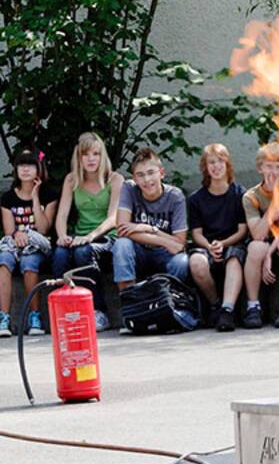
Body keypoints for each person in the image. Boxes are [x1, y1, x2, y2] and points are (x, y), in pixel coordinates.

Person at [52, 133, 124, 332]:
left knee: (84, 252)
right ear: (79, 157)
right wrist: (62, 235)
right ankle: (66, 312)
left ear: (103, 157)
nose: (91, 159)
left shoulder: (115, 179)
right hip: (80, 237)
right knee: (59, 255)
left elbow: (113, 218)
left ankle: (99, 312)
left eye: (96, 154)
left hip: (107, 238)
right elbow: (62, 215)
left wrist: (91, 236)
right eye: (86, 154)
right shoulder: (71, 180)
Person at [241, 143, 279, 329]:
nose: (274, 171)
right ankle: (253, 306)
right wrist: (275, 202)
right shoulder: (250, 196)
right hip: (265, 239)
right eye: (269, 166)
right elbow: (258, 234)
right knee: (254, 247)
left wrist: (270, 253)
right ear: (260, 168)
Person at [112, 147, 189, 295]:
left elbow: (180, 243)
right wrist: (164, 241)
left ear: (161, 173)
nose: (147, 180)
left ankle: (170, 302)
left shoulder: (175, 196)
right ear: (134, 178)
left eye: (151, 173)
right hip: (138, 251)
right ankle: (129, 301)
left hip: (164, 254)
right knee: (121, 245)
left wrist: (149, 228)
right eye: (140, 175)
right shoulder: (129, 188)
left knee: (181, 262)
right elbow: (122, 230)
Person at [187, 143, 247, 332]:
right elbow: (196, 233)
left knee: (234, 259)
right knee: (196, 262)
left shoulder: (239, 194)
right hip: (207, 246)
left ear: (227, 164)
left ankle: (227, 311)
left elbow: (242, 230)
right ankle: (215, 304)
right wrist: (210, 246)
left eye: (220, 161)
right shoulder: (196, 199)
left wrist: (223, 243)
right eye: (211, 162)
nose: (216, 166)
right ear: (205, 167)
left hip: (232, 243)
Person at [0, 148, 59, 336]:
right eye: (21, 165)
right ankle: (4, 318)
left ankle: (35, 317)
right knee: (3, 261)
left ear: (39, 168)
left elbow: (43, 229)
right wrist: (17, 234)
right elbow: (9, 231)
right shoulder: (8, 198)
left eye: (30, 165)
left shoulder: (49, 196)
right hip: (14, 243)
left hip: (38, 246)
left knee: (29, 262)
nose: (25, 169)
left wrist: (35, 197)